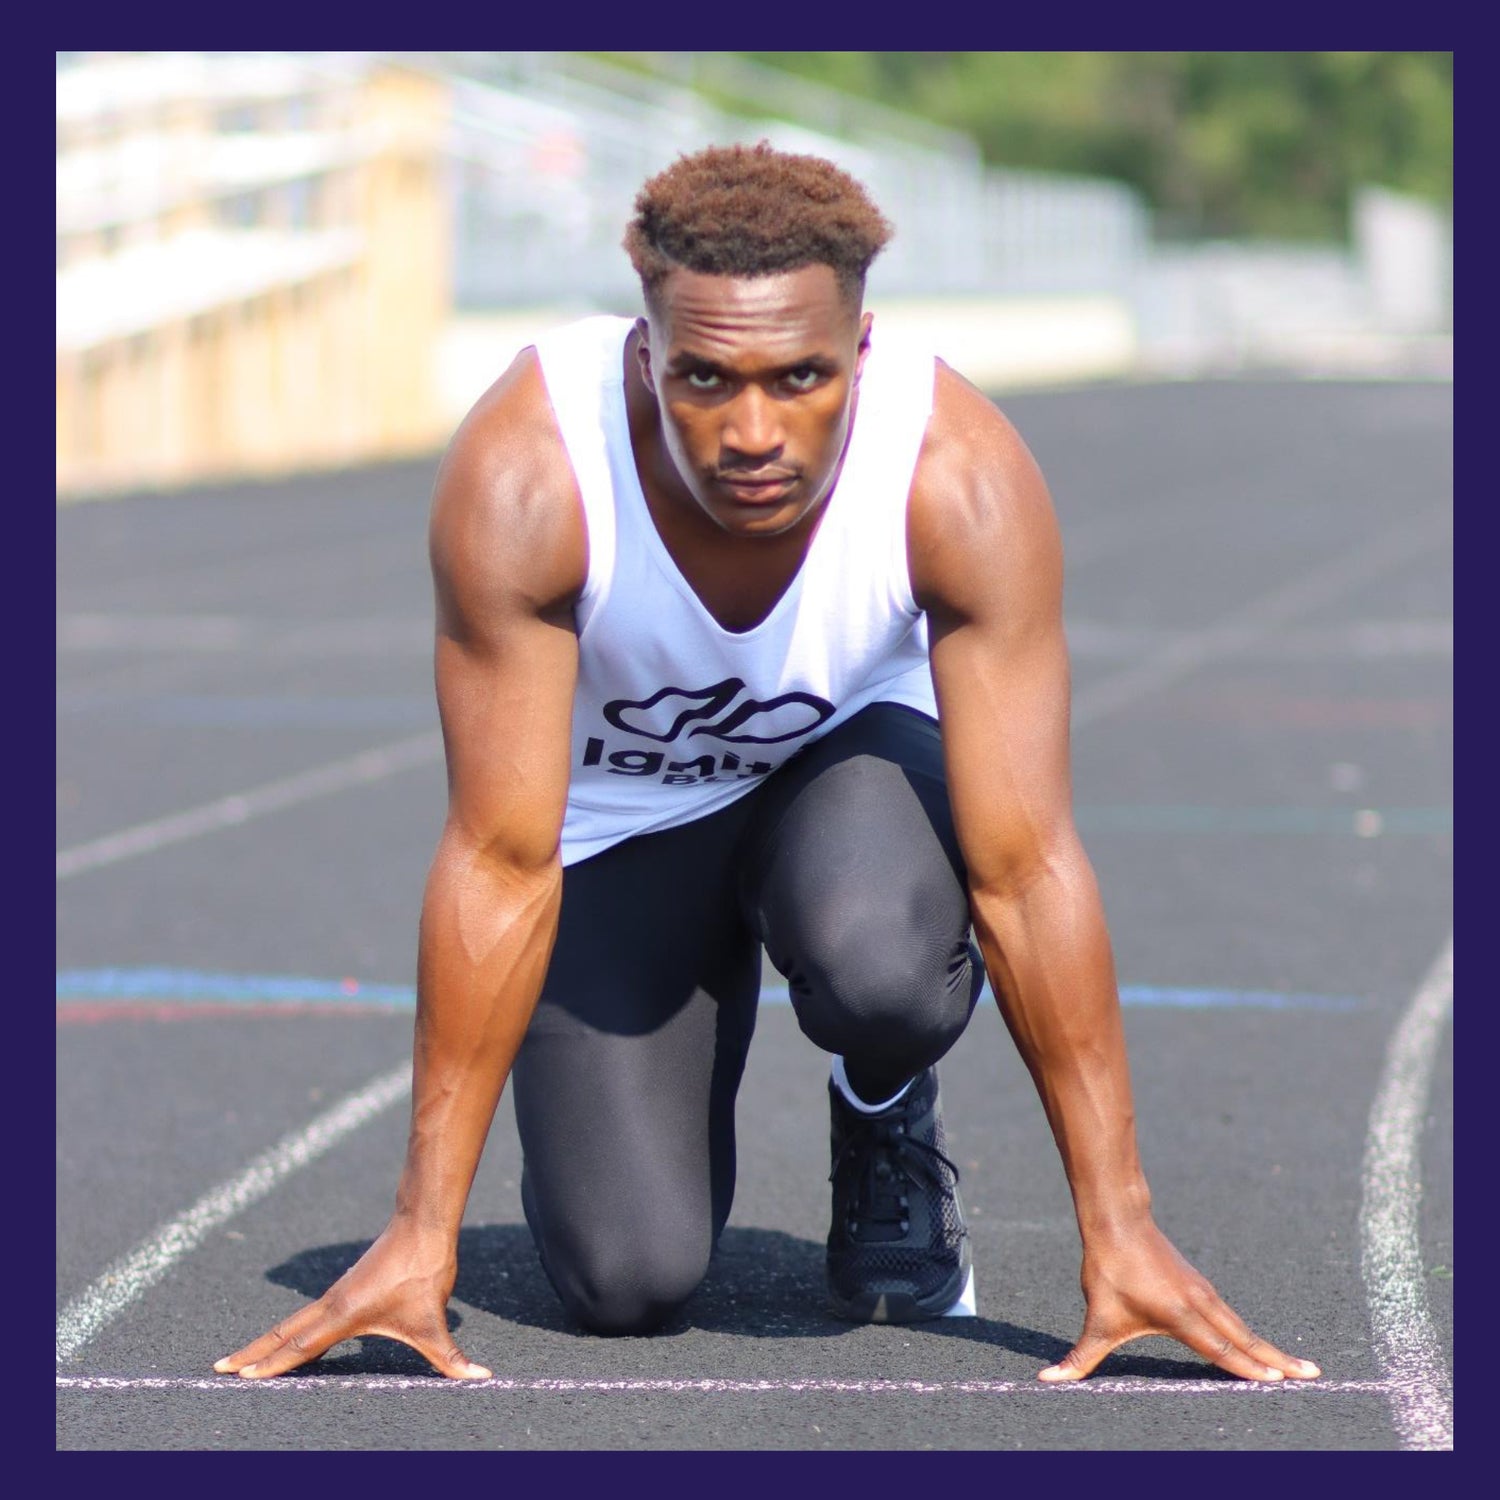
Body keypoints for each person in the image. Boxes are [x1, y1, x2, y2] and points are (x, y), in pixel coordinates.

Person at [216, 142, 1321, 1384]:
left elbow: (1028, 866)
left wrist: (1121, 1231)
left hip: (841, 782)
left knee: (887, 971)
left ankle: (880, 1098)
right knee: (625, 1280)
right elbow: (499, 853)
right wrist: (422, 1232)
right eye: (705, 380)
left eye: (799, 378)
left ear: (861, 354)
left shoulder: (955, 476)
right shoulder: (533, 475)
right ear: (647, 358)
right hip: (624, 822)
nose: (754, 432)